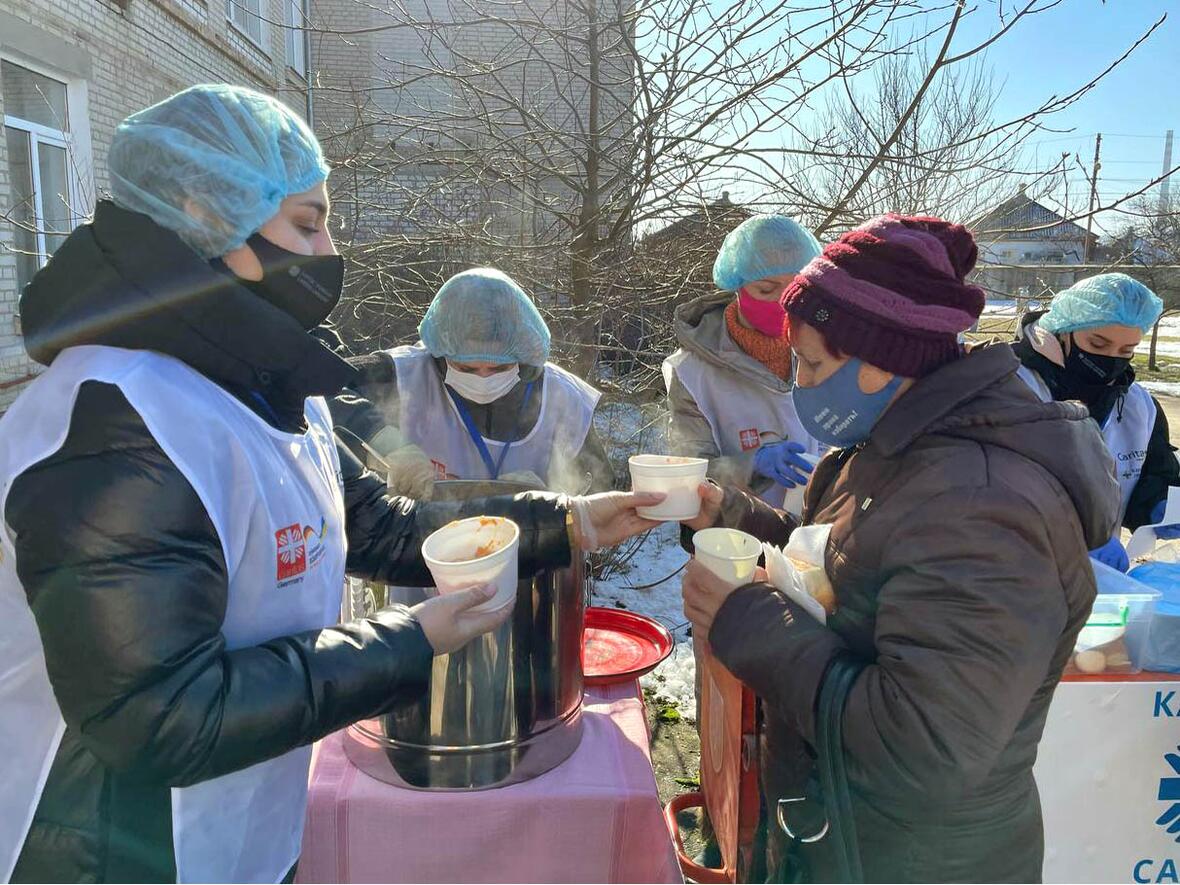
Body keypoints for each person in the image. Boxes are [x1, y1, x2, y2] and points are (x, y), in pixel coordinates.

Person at [0, 84, 661, 884]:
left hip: (240, 832)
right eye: (308, 223)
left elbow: (376, 524)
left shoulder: (259, 385)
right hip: (112, 850)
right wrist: (410, 642)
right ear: (205, 217)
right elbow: (159, 718)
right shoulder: (118, 421)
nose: (326, 251)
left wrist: (572, 522)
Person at [679, 214, 1119, 882]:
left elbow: (924, 746)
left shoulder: (984, 505)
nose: (799, 382)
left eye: (813, 362)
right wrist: (740, 516)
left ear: (879, 363)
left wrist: (746, 615)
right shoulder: (899, 442)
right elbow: (850, 564)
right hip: (843, 838)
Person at [331, 268, 614, 497]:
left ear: (524, 360)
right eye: (465, 367)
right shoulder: (404, 374)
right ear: (441, 354)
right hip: (421, 550)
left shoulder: (563, 398)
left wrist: (551, 497)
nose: (483, 378)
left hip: (528, 553)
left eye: (500, 367)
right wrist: (386, 443)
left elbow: (601, 491)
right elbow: (318, 391)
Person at [1014, 273, 1180, 572]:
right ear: (1065, 330)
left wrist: (1160, 505)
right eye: (1098, 343)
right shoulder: (1009, 384)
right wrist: (1071, 533)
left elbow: (1152, 474)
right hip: (1006, 573)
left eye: (1126, 351)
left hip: (1096, 582)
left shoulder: (1138, 407)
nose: (1111, 359)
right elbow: (986, 482)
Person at [663, 214, 823, 513]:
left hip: (814, 537)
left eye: (795, 289)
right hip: (730, 537)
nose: (783, 302)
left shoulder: (823, 349)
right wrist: (751, 465)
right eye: (766, 289)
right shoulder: (692, 374)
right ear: (737, 286)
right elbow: (689, 472)